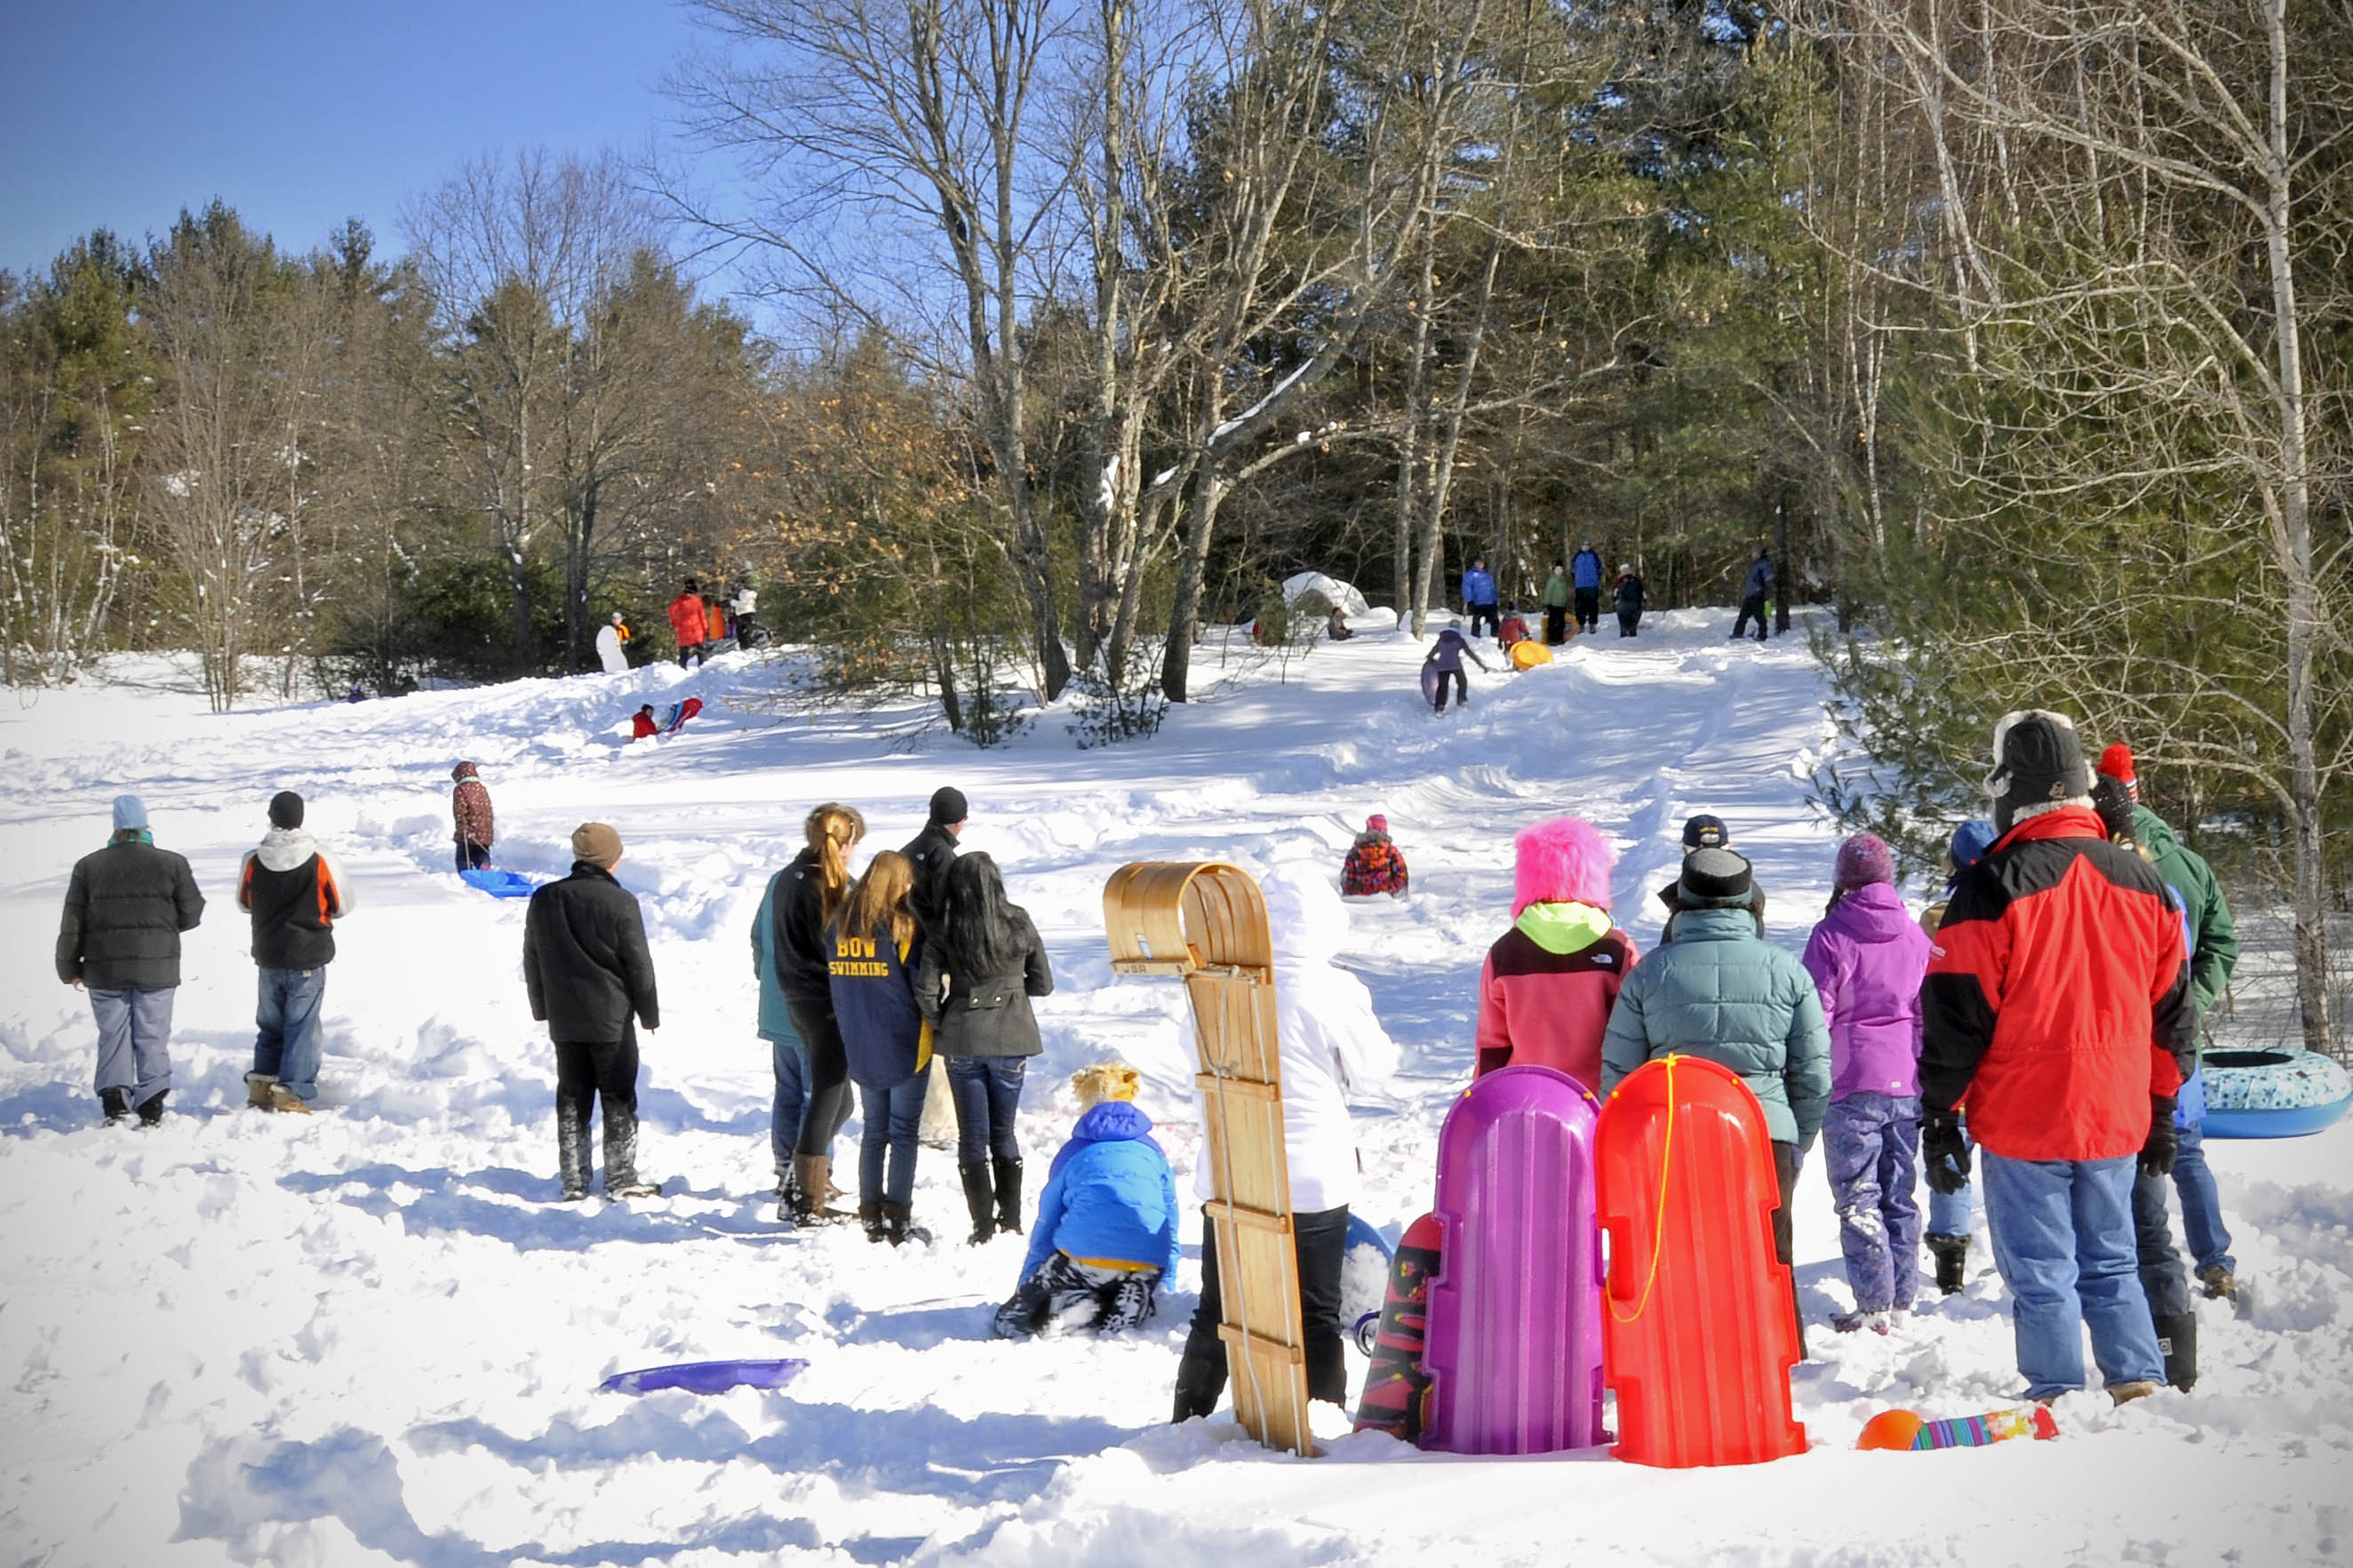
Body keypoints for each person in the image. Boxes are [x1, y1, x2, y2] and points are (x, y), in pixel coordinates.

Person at [1919, 710, 2194, 1405]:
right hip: (2114, 1109)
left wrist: (1939, 1112)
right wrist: (2161, 1104)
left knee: (2041, 1267)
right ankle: (2136, 1382)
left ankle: (2057, 1393)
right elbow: (2173, 1015)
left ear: (2011, 790)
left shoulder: (1992, 883)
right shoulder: (2144, 883)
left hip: (2024, 1113)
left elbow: (1957, 1014)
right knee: (2112, 1258)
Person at [1173, 866, 1400, 1422]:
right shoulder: (1335, 989)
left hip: (1234, 1169)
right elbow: (1373, 1071)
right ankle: (1319, 1422)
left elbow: (1191, 1053)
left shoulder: (1222, 981)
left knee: (1218, 1308)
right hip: (1313, 1176)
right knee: (1316, 1313)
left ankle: (1189, 1421)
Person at [1602, 847, 1831, 1349]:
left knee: (1684, 1255)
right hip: (1764, 1134)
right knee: (1770, 1252)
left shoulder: (1650, 974)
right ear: (1749, 900)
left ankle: (1689, 1359)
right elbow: (1813, 1073)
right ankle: (1778, 1355)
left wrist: (1625, 1148)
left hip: (1674, 1138)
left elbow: (1620, 1075)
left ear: (1681, 901)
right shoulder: (1787, 971)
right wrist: (1797, 1138)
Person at [2097, 744, 2241, 1301]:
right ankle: (2215, 1260)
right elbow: (2222, 943)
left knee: (2135, 1155)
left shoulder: (2104, 862)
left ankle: (2145, 1269)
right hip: (2180, 1037)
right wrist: (2193, 1000)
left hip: (2128, 1039)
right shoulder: (2190, 864)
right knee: (2187, 1148)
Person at [1801, 834, 1934, 1333]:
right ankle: (1903, 1301)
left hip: (1853, 1079)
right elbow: (1924, 1013)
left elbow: (1816, 1014)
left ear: (1842, 879)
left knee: (1858, 1195)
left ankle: (1873, 1305)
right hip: (1906, 1082)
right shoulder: (1914, 936)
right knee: (1899, 1193)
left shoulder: (1831, 934)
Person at [2093, 775, 2199, 1389]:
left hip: (2136, 1079)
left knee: (2133, 1229)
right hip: (2155, 1075)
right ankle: (2171, 1355)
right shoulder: (2160, 884)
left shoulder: (2130, 893)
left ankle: (2156, 1355)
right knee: (2146, 1226)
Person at [920, 852, 1054, 1243]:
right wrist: (1010, 992)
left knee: (971, 1136)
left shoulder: (946, 929)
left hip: (963, 1037)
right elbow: (1043, 983)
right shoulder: (1018, 920)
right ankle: (1011, 1220)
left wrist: (942, 1021)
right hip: (1012, 1037)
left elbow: (926, 990)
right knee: (1004, 1132)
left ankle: (981, 1226)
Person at [523, 823, 661, 1200]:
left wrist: (542, 1008)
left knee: (572, 1095)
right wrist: (649, 1013)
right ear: (611, 859)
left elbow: (532, 958)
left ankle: (574, 1179)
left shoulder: (545, 899)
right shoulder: (620, 902)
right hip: (611, 1019)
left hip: (565, 1018)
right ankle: (620, 1177)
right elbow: (638, 964)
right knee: (617, 1095)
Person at [994, 1063, 1180, 1339]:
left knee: (1008, 1321)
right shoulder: (1154, 1152)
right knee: (1131, 1273)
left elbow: (1048, 1222)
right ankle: (1131, 1293)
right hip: (1148, 1257)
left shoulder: (1073, 1153)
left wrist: (1028, 1285)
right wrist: (1166, 1280)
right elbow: (1170, 1218)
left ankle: (1085, 1305)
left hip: (1086, 1258)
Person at [54, 795, 204, 1126]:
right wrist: (161, 932)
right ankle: (150, 1103)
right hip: (158, 967)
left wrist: (69, 967)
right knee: (152, 1033)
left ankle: (116, 1104)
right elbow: (192, 912)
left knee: (114, 1035)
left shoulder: (88, 866)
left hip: (104, 968)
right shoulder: (172, 863)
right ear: (145, 824)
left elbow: (73, 922)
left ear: (115, 827)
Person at [1474, 816, 1637, 1094]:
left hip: (1527, 1100)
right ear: (1592, 874)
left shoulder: (1504, 953)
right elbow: (1635, 1032)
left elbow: (1493, 1045)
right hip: (1601, 1103)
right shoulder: (1616, 947)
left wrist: (1484, 1102)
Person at [830, 850, 934, 1246]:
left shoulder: (839, 929)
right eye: (906, 882)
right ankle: (898, 1217)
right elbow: (919, 986)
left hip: (859, 1039)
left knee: (874, 1131)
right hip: (905, 1042)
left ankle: (870, 1214)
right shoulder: (904, 928)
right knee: (904, 1132)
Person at [774, 803, 867, 1224]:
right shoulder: (819, 884)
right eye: (853, 846)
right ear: (843, 844)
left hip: (798, 997)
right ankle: (803, 1201)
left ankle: (798, 1178)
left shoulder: (792, 877)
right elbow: (834, 950)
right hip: (822, 1000)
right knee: (829, 1091)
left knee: (841, 1099)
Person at [1918, 817, 1998, 1295]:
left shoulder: (1935, 918)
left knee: (1952, 1160)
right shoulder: (2016, 906)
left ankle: (1950, 1266)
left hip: (1956, 1061)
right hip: (2007, 1063)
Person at [237, 791, 356, 1115]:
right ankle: (291, 1090)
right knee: (302, 1026)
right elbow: (343, 903)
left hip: (268, 953)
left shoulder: (253, 858)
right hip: (308, 954)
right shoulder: (321, 858)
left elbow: (243, 902)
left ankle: (262, 1083)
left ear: (271, 817)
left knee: (270, 1023)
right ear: (301, 818)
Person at [750, 855, 812, 1221]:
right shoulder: (835, 885)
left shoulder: (779, 880)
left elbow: (758, 936)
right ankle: (811, 1171)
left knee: (788, 1089)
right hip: (814, 1012)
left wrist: (768, 979)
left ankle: (784, 1160)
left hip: (778, 1005)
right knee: (818, 1096)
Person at [901, 785, 966, 934]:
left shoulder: (908, 850)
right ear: (959, 822)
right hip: (925, 942)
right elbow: (948, 909)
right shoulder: (943, 856)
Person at [1339, 814, 1409, 898]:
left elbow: (1347, 873)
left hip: (1357, 897)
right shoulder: (1391, 850)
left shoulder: (1356, 850)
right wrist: (1396, 891)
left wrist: (1348, 891)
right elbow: (1401, 872)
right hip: (1385, 896)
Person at [1423, 627, 1491, 714]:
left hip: (1442, 666)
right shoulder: (1459, 639)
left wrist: (1430, 658)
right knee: (1462, 682)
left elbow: (1434, 651)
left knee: (1443, 686)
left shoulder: (1442, 639)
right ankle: (1461, 700)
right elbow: (1469, 653)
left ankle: (1440, 706)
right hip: (1455, 665)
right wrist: (1481, 665)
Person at [451, 761, 494, 872]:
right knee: (481, 850)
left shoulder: (461, 789)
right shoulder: (481, 788)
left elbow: (460, 811)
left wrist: (462, 828)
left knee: (463, 855)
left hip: (468, 829)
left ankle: (465, 873)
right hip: (485, 828)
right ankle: (484, 865)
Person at [1733, 545, 1775, 641]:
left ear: (1759, 554)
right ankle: (1737, 633)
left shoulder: (1764, 564)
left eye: (1755, 553)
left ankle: (1762, 635)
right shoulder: (1755, 564)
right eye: (1752, 553)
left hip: (1757, 594)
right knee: (1743, 615)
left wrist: (1767, 591)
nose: (1753, 554)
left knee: (1759, 616)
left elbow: (1769, 578)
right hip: (1750, 594)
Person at [668, 578, 707, 668]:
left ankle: (682, 668)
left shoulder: (680, 600)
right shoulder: (697, 600)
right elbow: (702, 615)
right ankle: (702, 668)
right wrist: (705, 628)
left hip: (684, 628)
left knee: (684, 651)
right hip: (697, 628)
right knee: (700, 651)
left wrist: (676, 622)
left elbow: (671, 611)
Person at [1462, 556, 1499, 638]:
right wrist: (1470, 601)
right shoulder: (1470, 575)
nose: (1479, 565)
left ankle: (1495, 637)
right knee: (1476, 621)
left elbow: (1492, 588)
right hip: (1478, 603)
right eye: (1477, 563)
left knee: (1495, 620)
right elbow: (1466, 589)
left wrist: (1495, 600)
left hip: (1490, 602)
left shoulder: (1488, 575)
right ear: (1474, 563)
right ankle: (1475, 637)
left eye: (1481, 563)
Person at [1572, 541, 1605, 634]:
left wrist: (1596, 578)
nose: (1585, 547)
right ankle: (1580, 624)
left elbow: (1600, 569)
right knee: (1580, 607)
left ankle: (1592, 624)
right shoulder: (1577, 556)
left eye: (1587, 545)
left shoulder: (1594, 556)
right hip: (1580, 585)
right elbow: (1573, 569)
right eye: (1584, 545)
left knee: (1593, 606)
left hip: (1592, 585)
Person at [1613, 562, 1647, 637]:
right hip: (1635, 605)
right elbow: (1644, 594)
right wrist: (1643, 603)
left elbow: (1615, 594)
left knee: (1623, 618)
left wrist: (1615, 602)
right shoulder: (1636, 580)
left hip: (1622, 606)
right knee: (1634, 619)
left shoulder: (1619, 582)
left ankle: (1624, 632)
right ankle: (1632, 631)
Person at [1543, 562, 1571, 645]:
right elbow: (1548, 592)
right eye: (1557, 569)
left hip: (1561, 604)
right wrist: (1547, 603)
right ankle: (1552, 639)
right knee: (1553, 622)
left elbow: (1564, 592)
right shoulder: (1552, 580)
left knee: (1561, 622)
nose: (1559, 571)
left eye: (1560, 569)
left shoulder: (1562, 580)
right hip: (1553, 604)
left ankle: (1559, 638)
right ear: (1554, 570)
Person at [731, 578, 764, 649]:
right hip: (751, 612)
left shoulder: (742, 593)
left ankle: (745, 646)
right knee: (748, 630)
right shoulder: (753, 594)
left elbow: (742, 604)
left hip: (742, 613)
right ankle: (749, 644)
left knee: (742, 631)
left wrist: (732, 602)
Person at [595, 611, 631, 675]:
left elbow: (626, 637)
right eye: (614, 619)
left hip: (620, 647)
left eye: (617, 619)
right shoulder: (609, 628)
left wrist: (622, 642)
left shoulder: (623, 628)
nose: (616, 620)